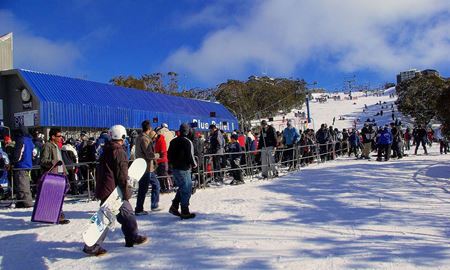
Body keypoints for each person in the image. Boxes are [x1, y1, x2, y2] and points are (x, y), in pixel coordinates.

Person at [83, 125, 148, 256]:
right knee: (107, 218)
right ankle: (91, 246)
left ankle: (132, 236)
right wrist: (126, 192)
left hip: (105, 188)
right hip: (114, 191)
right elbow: (122, 176)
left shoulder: (106, 149)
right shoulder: (119, 152)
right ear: (122, 137)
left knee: (125, 214)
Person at [40, 128, 70, 224]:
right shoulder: (47, 146)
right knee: (54, 196)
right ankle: (56, 216)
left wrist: (65, 171)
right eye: (59, 136)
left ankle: (55, 215)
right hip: (53, 175)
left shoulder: (57, 146)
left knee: (59, 195)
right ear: (53, 137)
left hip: (60, 174)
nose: (61, 138)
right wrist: (54, 162)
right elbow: (43, 161)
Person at [168, 123, 197, 219]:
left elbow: (169, 155)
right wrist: (194, 165)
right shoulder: (188, 142)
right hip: (184, 168)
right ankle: (185, 211)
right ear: (188, 131)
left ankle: (174, 206)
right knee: (187, 189)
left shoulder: (173, 141)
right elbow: (190, 156)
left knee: (182, 187)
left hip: (175, 168)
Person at [134, 120, 160, 215]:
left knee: (152, 185)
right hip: (146, 167)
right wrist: (158, 155)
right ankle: (141, 208)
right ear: (149, 128)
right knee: (145, 188)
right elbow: (149, 154)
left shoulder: (138, 137)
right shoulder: (144, 139)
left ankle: (150, 205)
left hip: (144, 167)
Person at [12, 127, 34, 208]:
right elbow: (34, 153)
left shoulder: (21, 140)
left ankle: (27, 203)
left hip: (21, 165)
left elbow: (18, 155)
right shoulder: (30, 141)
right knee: (24, 184)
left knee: (22, 185)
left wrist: (14, 161)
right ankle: (20, 202)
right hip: (28, 164)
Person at [154, 127, 172, 192]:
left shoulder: (161, 139)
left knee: (164, 174)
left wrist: (156, 155)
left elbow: (162, 151)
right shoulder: (156, 140)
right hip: (158, 160)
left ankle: (168, 187)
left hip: (163, 160)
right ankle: (163, 188)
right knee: (160, 175)